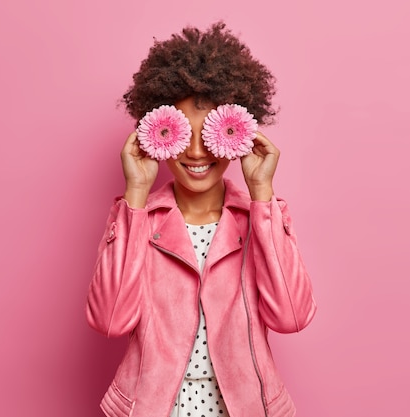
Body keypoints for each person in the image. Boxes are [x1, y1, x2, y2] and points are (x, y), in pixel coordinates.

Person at [86, 21, 316, 417]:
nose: (196, 151)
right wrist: (135, 196)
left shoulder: (255, 218)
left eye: (211, 133)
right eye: (182, 133)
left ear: (239, 133)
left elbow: (291, 315)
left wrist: (263, 195)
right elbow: (110, 320)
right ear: (156, 132)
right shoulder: (141, 218)